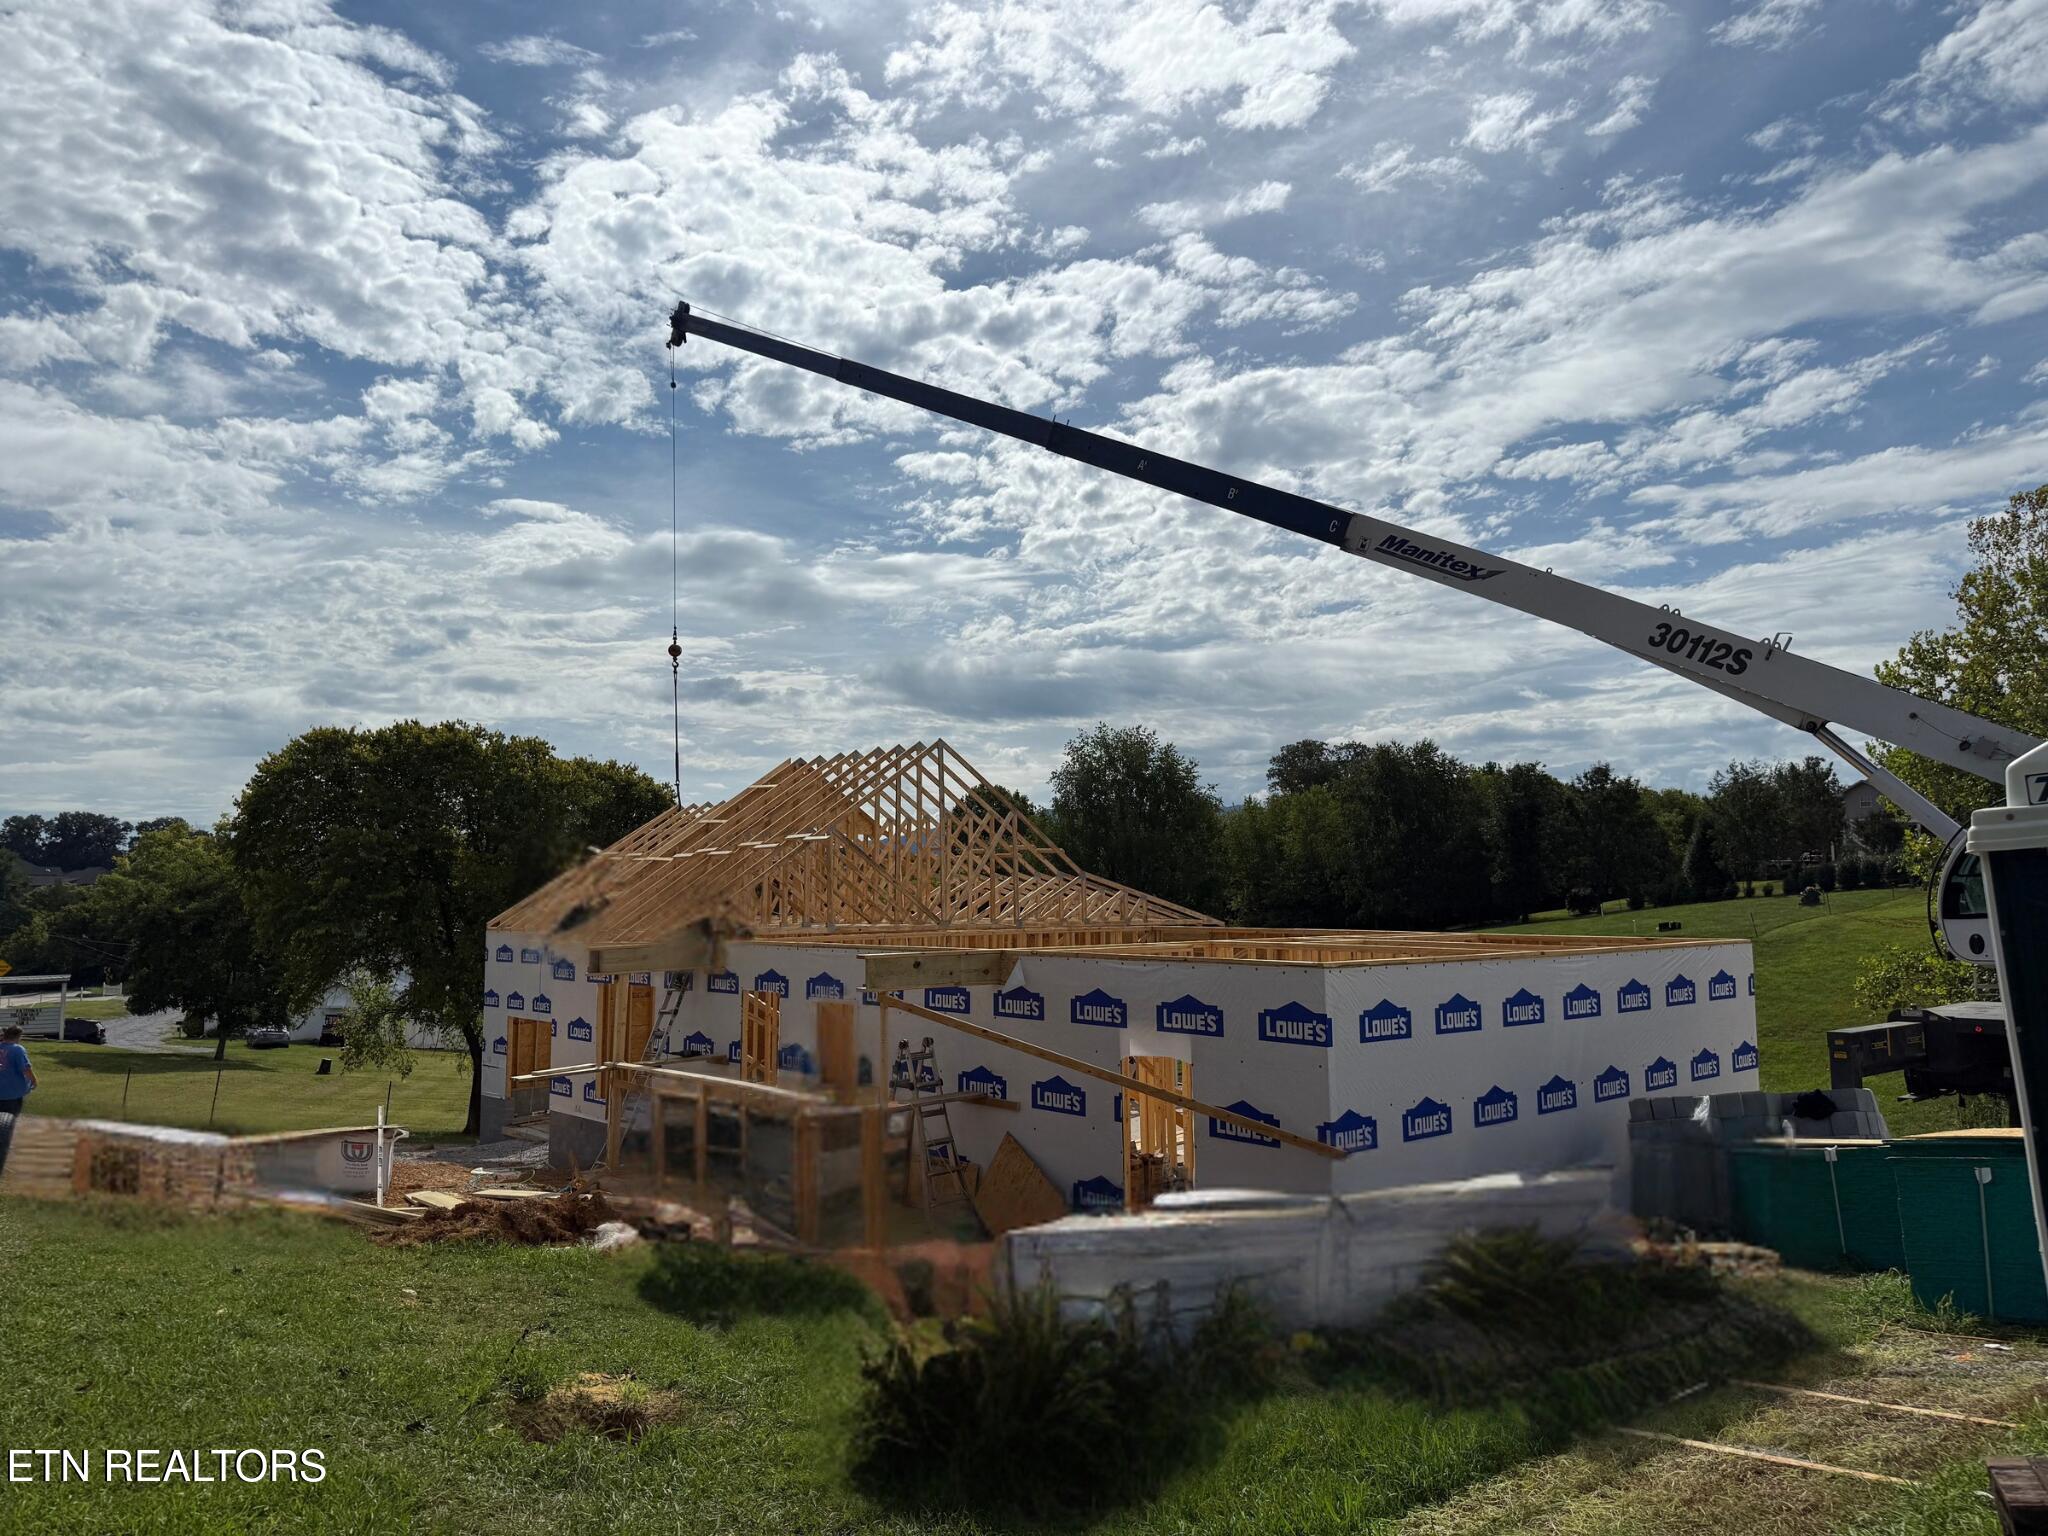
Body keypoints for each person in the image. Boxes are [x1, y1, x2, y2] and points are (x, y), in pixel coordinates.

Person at [0, 1023, 36, 1179]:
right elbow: (26, 1069)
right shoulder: (17, 1049)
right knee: (8, 1125)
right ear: (17, 1036)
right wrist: (34, 1081)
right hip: (12, 1094)